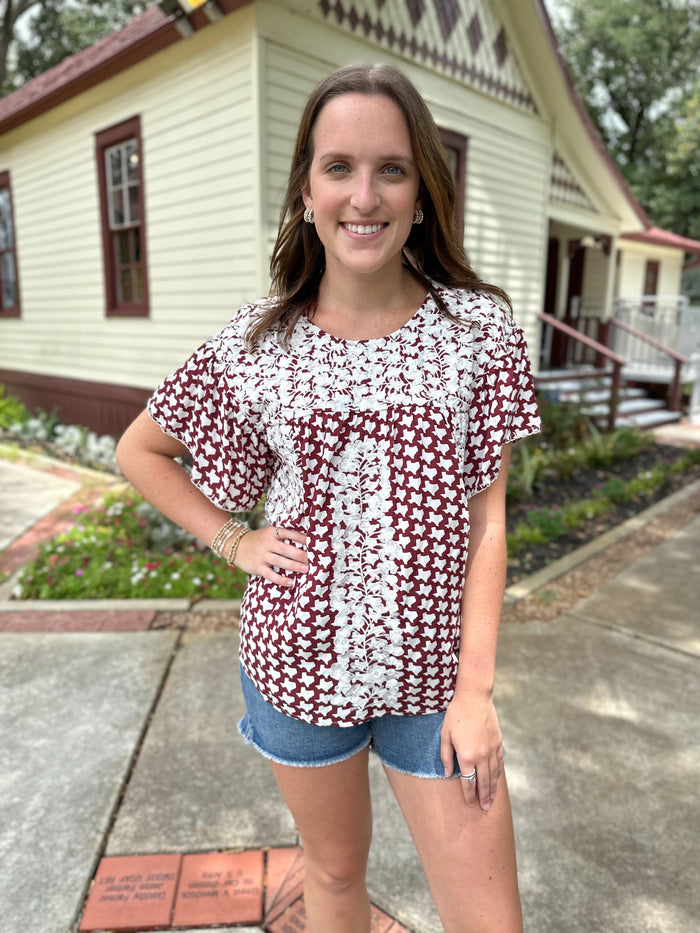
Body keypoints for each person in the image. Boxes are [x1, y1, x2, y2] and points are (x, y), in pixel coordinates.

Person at [116, 63, 540, 933]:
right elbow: (141, 449)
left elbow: (489, 518)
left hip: (437, 680)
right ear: (306, 189)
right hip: (296, 665)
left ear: (421, 191)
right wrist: (234, 540)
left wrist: (476, 689)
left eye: (391, 168)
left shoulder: (477, 333)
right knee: (336, 873)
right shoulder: (257, 339)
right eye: (338, 166)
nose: (364, 195)